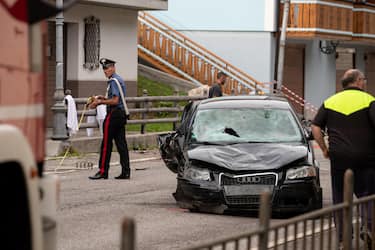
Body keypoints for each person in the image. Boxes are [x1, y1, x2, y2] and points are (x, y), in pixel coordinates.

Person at [311, 69, 375, 246]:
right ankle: (369, 228)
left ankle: (342, 238)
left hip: (339, 159)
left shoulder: (330, 101)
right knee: (367, 195)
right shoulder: (369, 100)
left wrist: (324, 148)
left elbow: (315, 128)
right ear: (358, 81)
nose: (365, 82)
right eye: (364, 79)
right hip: (366, 158)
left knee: (340, 198)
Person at [89, 58, 131, 180]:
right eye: (104, 68)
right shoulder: (119, 79)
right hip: (121, 114)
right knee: (121, 144)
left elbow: (115, 100)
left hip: (113, 114)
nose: (105, 71)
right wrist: (103, 97)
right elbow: (115, 97)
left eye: (107, 68)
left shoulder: (113, 81)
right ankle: (126, 171)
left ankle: (103, 171)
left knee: (106, 144)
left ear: (113, 67)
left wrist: (99, 102)